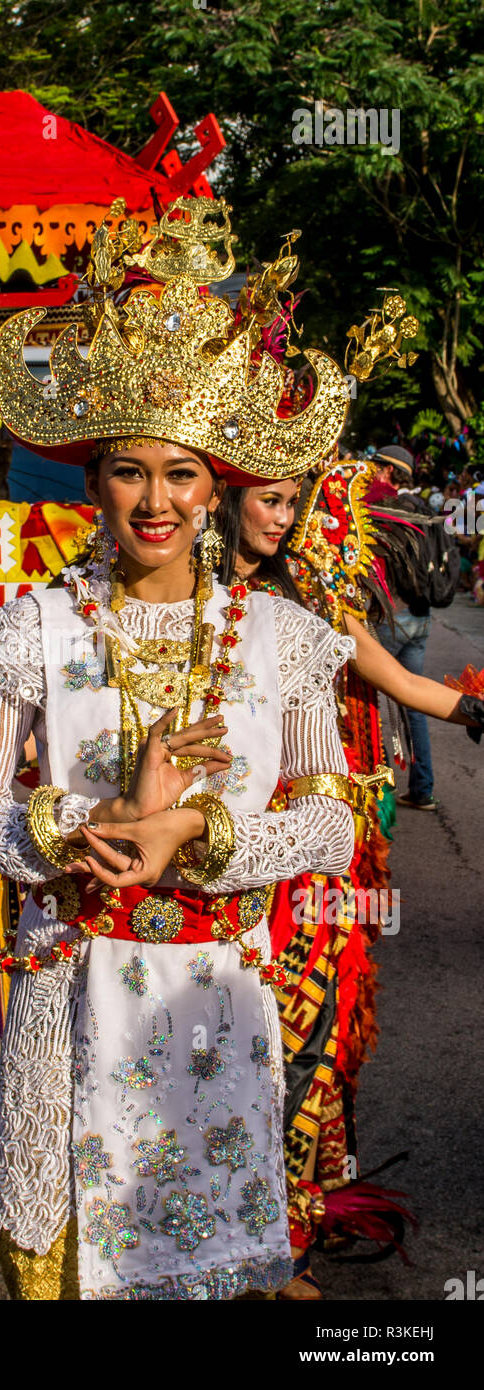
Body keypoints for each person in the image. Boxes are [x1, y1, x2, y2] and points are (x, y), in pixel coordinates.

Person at [0, 199, 360, 1300]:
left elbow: (329, 821)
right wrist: (96, 827)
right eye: (129, 471)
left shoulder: (284, 640)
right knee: (57, 1263)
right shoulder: (33, 626)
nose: (155, 500)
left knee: (205, 1264)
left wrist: (192, 831)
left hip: (213, 997)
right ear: (92, 487)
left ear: (213, 485)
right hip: (63, 989)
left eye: (179, 473)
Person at [216, 469, 484, 1296]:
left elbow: (401, 683)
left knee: (307, 1044)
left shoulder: (309, 600)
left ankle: (282, 1239)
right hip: (213, 861)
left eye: (294, 501)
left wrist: (477, 709)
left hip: (314, 861)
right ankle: (206, 1235)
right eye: (268, 497)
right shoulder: (172, 603)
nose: (284, 517)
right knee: (213, 1047)